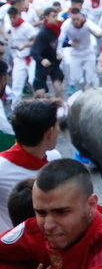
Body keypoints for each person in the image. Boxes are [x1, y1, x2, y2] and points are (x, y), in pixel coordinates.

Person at [0, 99, 62, 231]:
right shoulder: (1, 169)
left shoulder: (54, 158)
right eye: (57, 126)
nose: (59, 131)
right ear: (49, 133)